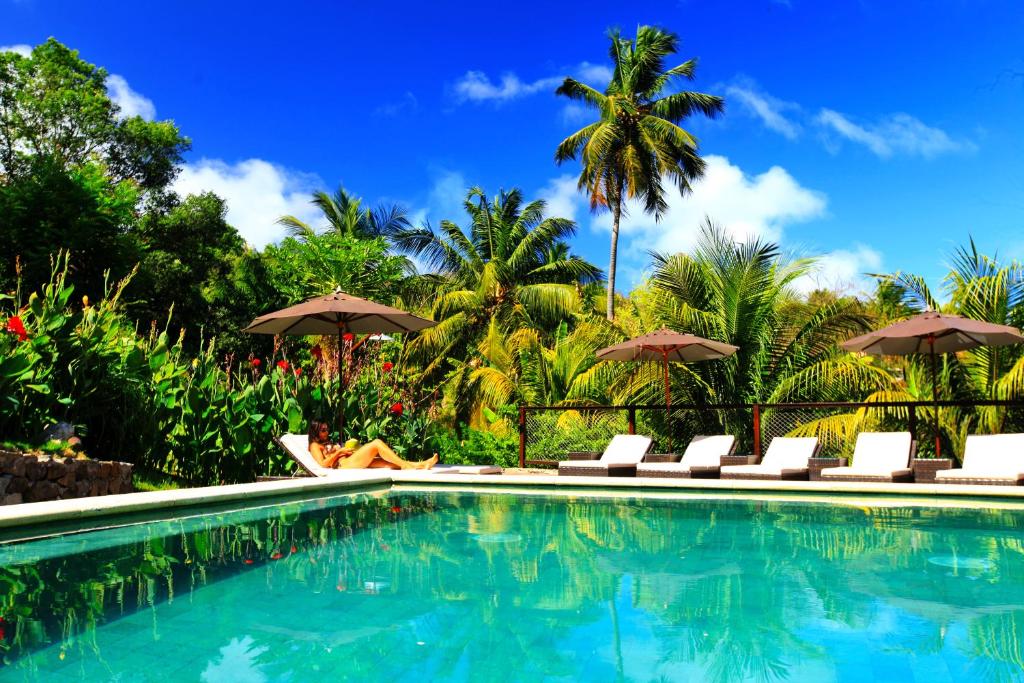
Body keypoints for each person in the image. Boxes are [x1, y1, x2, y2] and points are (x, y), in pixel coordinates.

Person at [306, 421, 438, 470]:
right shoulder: (314, 446)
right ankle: (406, 466)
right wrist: (339, 452)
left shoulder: (326, 442)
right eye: (323, 430)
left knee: (389, 463)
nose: (327, 432)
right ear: (315, 432)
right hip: (344, 465)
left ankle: (422, 465)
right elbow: (323, 464)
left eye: (327, 429)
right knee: (376, 444)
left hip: (350, 459)